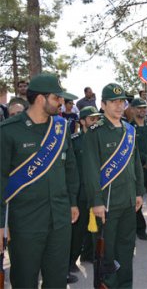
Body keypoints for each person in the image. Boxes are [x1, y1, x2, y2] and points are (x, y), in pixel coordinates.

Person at [0, 73, 80, 287]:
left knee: (56, 280)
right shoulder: (9, 131)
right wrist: (0, 223)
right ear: (40, 99)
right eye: (57, 98)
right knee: (25, 280)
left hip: (60, 219)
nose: (61, 103)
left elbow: (71, 169)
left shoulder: (61, 129)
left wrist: (72, 201)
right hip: (26, 222)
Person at [82, 83, 144, 288]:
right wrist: (96, 202)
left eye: (122, 102)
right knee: (106, 254)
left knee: (126, 250)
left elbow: (136, 165)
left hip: (127, 201)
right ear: (103, 104)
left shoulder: (129, 130)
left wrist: (138, 193)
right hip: (106, 205)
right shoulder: (94, 132)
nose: (119, 106)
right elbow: (90, 171)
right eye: (114, 102)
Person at [69, 106, 102, 276]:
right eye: (91, 119)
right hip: (80, 191)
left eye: (97, 118)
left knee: (95, 226)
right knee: (78, 229)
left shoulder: (100, 138)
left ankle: (88, 254)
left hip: (96, 190)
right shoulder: (74, 140)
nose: (95, 122)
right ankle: (71, 260)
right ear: (82, 121)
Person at [129, 98, 147, 241]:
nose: (142, 110)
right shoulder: (128, 128)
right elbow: (132, 151)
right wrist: (145, 160)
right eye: (138, 108)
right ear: (132, 109)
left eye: (143, 108)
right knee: (137, 200)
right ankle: (140, 229)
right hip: (137, 170)